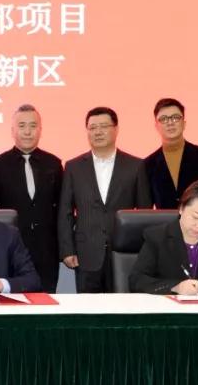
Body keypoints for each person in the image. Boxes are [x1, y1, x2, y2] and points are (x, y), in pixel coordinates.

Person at [59, 106, 153, 293]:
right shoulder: (73, 167)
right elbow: (65, 211)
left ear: (116, 129)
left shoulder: (135, 165)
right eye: (92, 128)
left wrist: (144, 252)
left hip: (123, 253)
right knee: (88, 308)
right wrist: (67, 250)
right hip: (86, 253)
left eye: (104, 126)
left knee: (123, 307)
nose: (98, 132)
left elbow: (144, 212)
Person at [0, 104, 63, 292]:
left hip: (47, 251)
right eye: (21, 126)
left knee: (46, 300)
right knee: (11, 301)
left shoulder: (54, 164)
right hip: (10, 249)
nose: (27, 132)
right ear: (13, 131)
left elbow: (63, 209)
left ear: (40, 130)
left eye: (33, 126)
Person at [129, 179, 198, 294]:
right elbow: (137, 280)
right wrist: (175, 287)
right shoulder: (157, 237)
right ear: (181, 208)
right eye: (196, 217)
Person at [143, 98, 198, 210]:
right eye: (163, 119)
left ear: (184, 123)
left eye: (175, 117)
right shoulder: (148, 165)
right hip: (165, 221)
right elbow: (146, 209)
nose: (170, 123)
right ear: (156, 126)